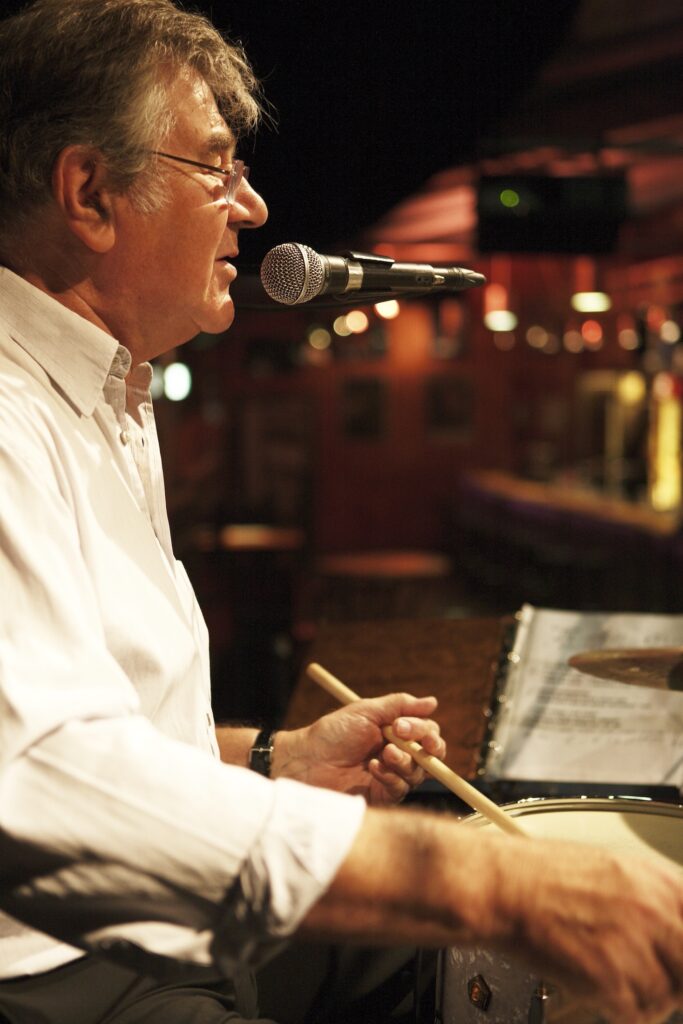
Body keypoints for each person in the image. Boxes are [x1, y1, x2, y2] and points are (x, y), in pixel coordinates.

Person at [0, 2, 680, 1023]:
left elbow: (103, 717)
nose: (255, 206)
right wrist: (489, 881)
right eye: (217, 168)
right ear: (90, 193)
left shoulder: (113, 393)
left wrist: (276, 759)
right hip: (63, 970)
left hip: (167, 918)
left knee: (459, 963)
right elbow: (37, 778)